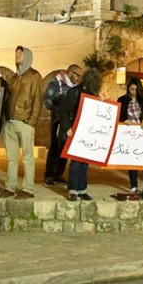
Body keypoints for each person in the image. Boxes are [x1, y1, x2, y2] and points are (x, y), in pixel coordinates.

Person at [58, 68, 103, 201]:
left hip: (87, 132)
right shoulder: (75, 92)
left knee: (84, 162)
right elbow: (64, 111)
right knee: (76, 161)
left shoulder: (94, 95)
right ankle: (73, 190)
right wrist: (67, 129)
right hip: (75, 131)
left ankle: (82, 190)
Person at [4, 45, 44, 198]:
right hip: (10, 122)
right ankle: (10, 186)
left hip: (25, 122)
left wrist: (31, 121)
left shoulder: (34, 76)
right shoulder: (14, 78)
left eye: (20, 53)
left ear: (27, 56)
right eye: (16, 53)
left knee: (27, 157)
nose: (17, 55)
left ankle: (28, 188)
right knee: (11, 159)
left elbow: (37, 99)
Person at [42, 64, 82, 186]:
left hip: (70, 120)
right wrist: (57, 110)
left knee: (66, 146)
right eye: (77, 75)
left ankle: (59, 173)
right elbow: (47, 98)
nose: (78, 78)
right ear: (71, 73)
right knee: (55, 145)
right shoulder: (56, 83)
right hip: (57, 119)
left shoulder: (76, 88)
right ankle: (49, 174)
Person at [118, 77, 143, 198]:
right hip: (130, 133)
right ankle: (133, 185)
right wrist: (125, 119)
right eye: (131, 89)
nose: (133, 92)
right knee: (133, 159)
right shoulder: (122, 100)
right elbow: (118, 113)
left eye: (136, 89)